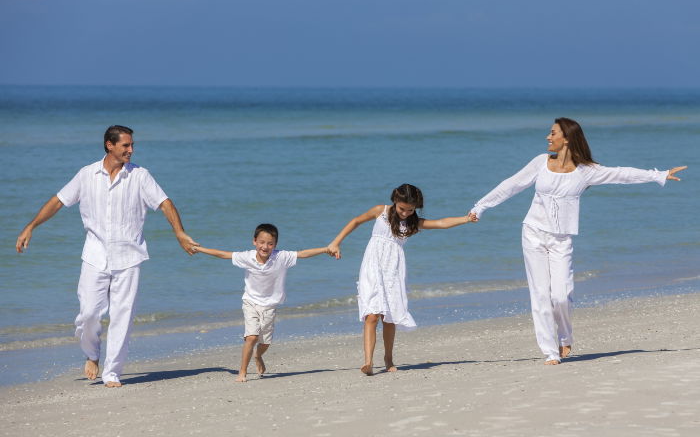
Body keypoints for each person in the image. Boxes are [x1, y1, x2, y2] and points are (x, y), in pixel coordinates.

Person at [467, 118, 687, 365]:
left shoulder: (587, 171)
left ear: (567, 138)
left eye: (552, 133)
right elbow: (512, 184)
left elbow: (621, 174)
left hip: (562, 238)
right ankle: (550, 352)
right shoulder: (541, 162)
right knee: (540, 293)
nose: (548, 137)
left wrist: (660, 175)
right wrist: (481, 206)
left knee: (561, 294)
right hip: (533, 232)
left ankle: (565, 337)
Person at [15, 125, 198, 387]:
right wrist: (31, 226)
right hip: (95, 255)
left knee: (122, 316)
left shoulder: (140, 176)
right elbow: (58, 200)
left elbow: (165, 203)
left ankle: (112, 372)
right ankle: (91, 354)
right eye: (126, 145)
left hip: (129, 257)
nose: (131, 150)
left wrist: (179, 232)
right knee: (88, 313)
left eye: (132, 145)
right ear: (109, 145)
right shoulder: (86, 175)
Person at [328, 184, 476, 376]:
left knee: (389, 317)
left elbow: (441, 223)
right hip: (372, 266)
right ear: (395, 201)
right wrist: (336, 242)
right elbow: (356, 221)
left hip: (393, 270)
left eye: (410, 210)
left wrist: (466, 218)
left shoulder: (413, 223)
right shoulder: (380, 211)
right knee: (371, 314)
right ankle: (368, 362)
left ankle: (388, 358)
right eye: (402, 208)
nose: (405, 213)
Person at [193, 223, 331, 382]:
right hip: (250, 302)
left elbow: (303, 253)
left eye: (270, 243)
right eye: (262, 242)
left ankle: (258, 356)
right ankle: (242, 372)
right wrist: (199, 249)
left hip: (270, 305)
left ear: (275, 245)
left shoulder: (281, 257)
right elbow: (223, 254)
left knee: (265, 342)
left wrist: (326, 249)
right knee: (251, 337)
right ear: (254, 242)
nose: (265, 247)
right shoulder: (247, 257)